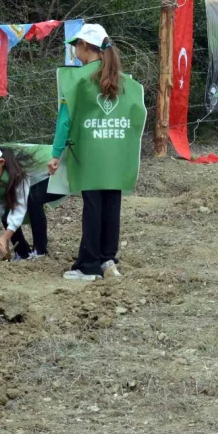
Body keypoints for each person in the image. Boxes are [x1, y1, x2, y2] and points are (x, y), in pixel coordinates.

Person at [48, 24, 146, 281]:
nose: (74, 51)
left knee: (92, 207)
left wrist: (56, 153)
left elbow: (65, 120)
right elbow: (138, 115)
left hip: (89, 155)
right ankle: (107, 259)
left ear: (83, 46)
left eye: (75, 46)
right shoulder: (125, 81)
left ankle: (88, 266)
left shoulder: (78, 80)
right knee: (111, 205)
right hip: (116, 154)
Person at [0, 143, 64, 261]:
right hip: (39, 177)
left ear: (1, 162)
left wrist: (5, 237)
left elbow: (20, 206)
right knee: (7, 201)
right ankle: (22, 253)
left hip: (62, 170)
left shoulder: (18, 169)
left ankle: (40, 252)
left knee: (33, 199)